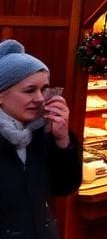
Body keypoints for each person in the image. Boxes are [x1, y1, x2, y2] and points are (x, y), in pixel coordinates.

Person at [0, 39, 81, 239]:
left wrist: (62, 141)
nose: (39, 98)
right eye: (30, 90)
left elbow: (64, 187)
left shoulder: (40, 132)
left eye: (44, 89)